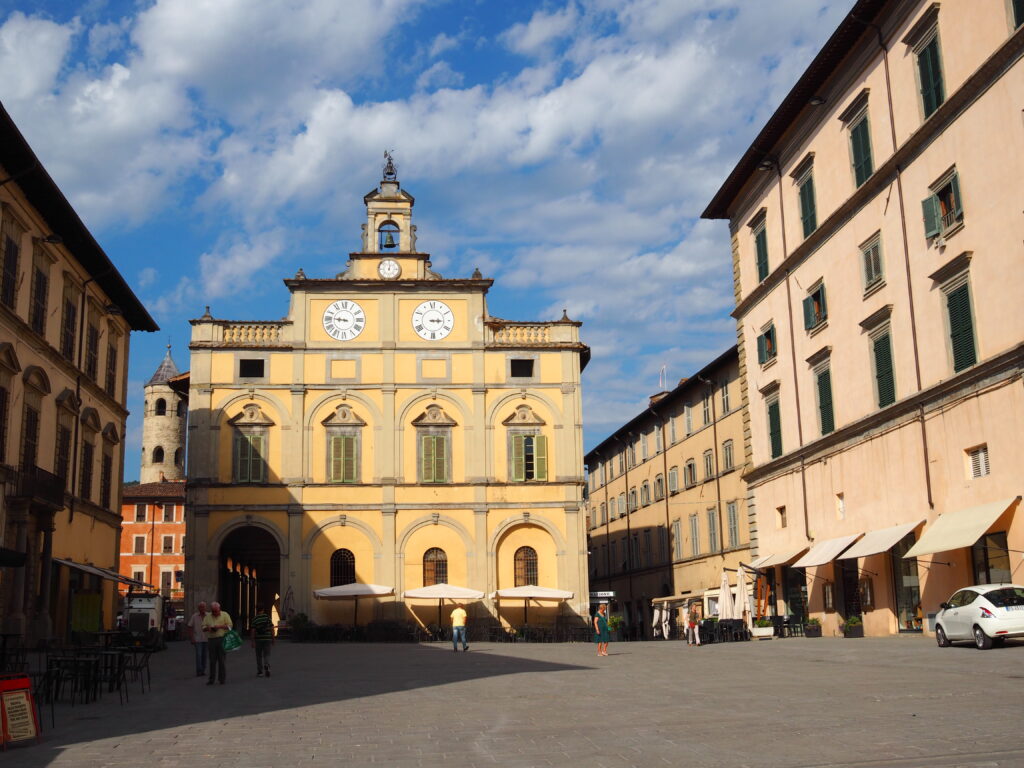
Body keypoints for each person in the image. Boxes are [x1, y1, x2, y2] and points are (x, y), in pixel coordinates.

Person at [202, 602, 233, 685]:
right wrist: (208, 628)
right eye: (213, 611)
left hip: (222, 639)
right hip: (211, 640)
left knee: (222, 660)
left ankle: (222, 679)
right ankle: (211, 679)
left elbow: (230, 626)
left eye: (216, 611)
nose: (215, 613)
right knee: (212, 660)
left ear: (219, 609)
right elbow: (203, 627)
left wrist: (220, 626)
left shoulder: (225, 615)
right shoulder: (208, 616)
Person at [251, 605, 275, 677]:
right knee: (267, 654)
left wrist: (252, 641)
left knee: (258, 656)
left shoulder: (255, 619)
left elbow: (253, 631)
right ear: (263, 609)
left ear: (256, 610)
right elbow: (272, 629)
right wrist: (273, 639)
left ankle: (260, 672)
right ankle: (266, 665)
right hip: (267, 638)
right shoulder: (267, 617)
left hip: (258, 639)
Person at [187, 602, 208, 676]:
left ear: (205, 608)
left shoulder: (209, 616)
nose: (202, 608)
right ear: (198, 608)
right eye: (201, 607)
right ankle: (199, 671)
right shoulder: (194, 616)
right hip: (197, 639)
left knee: (204, 655)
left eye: (203, 607)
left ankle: (203, 670)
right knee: (199, 655)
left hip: (206, 639)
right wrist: (192, 638)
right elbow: (190, 626)